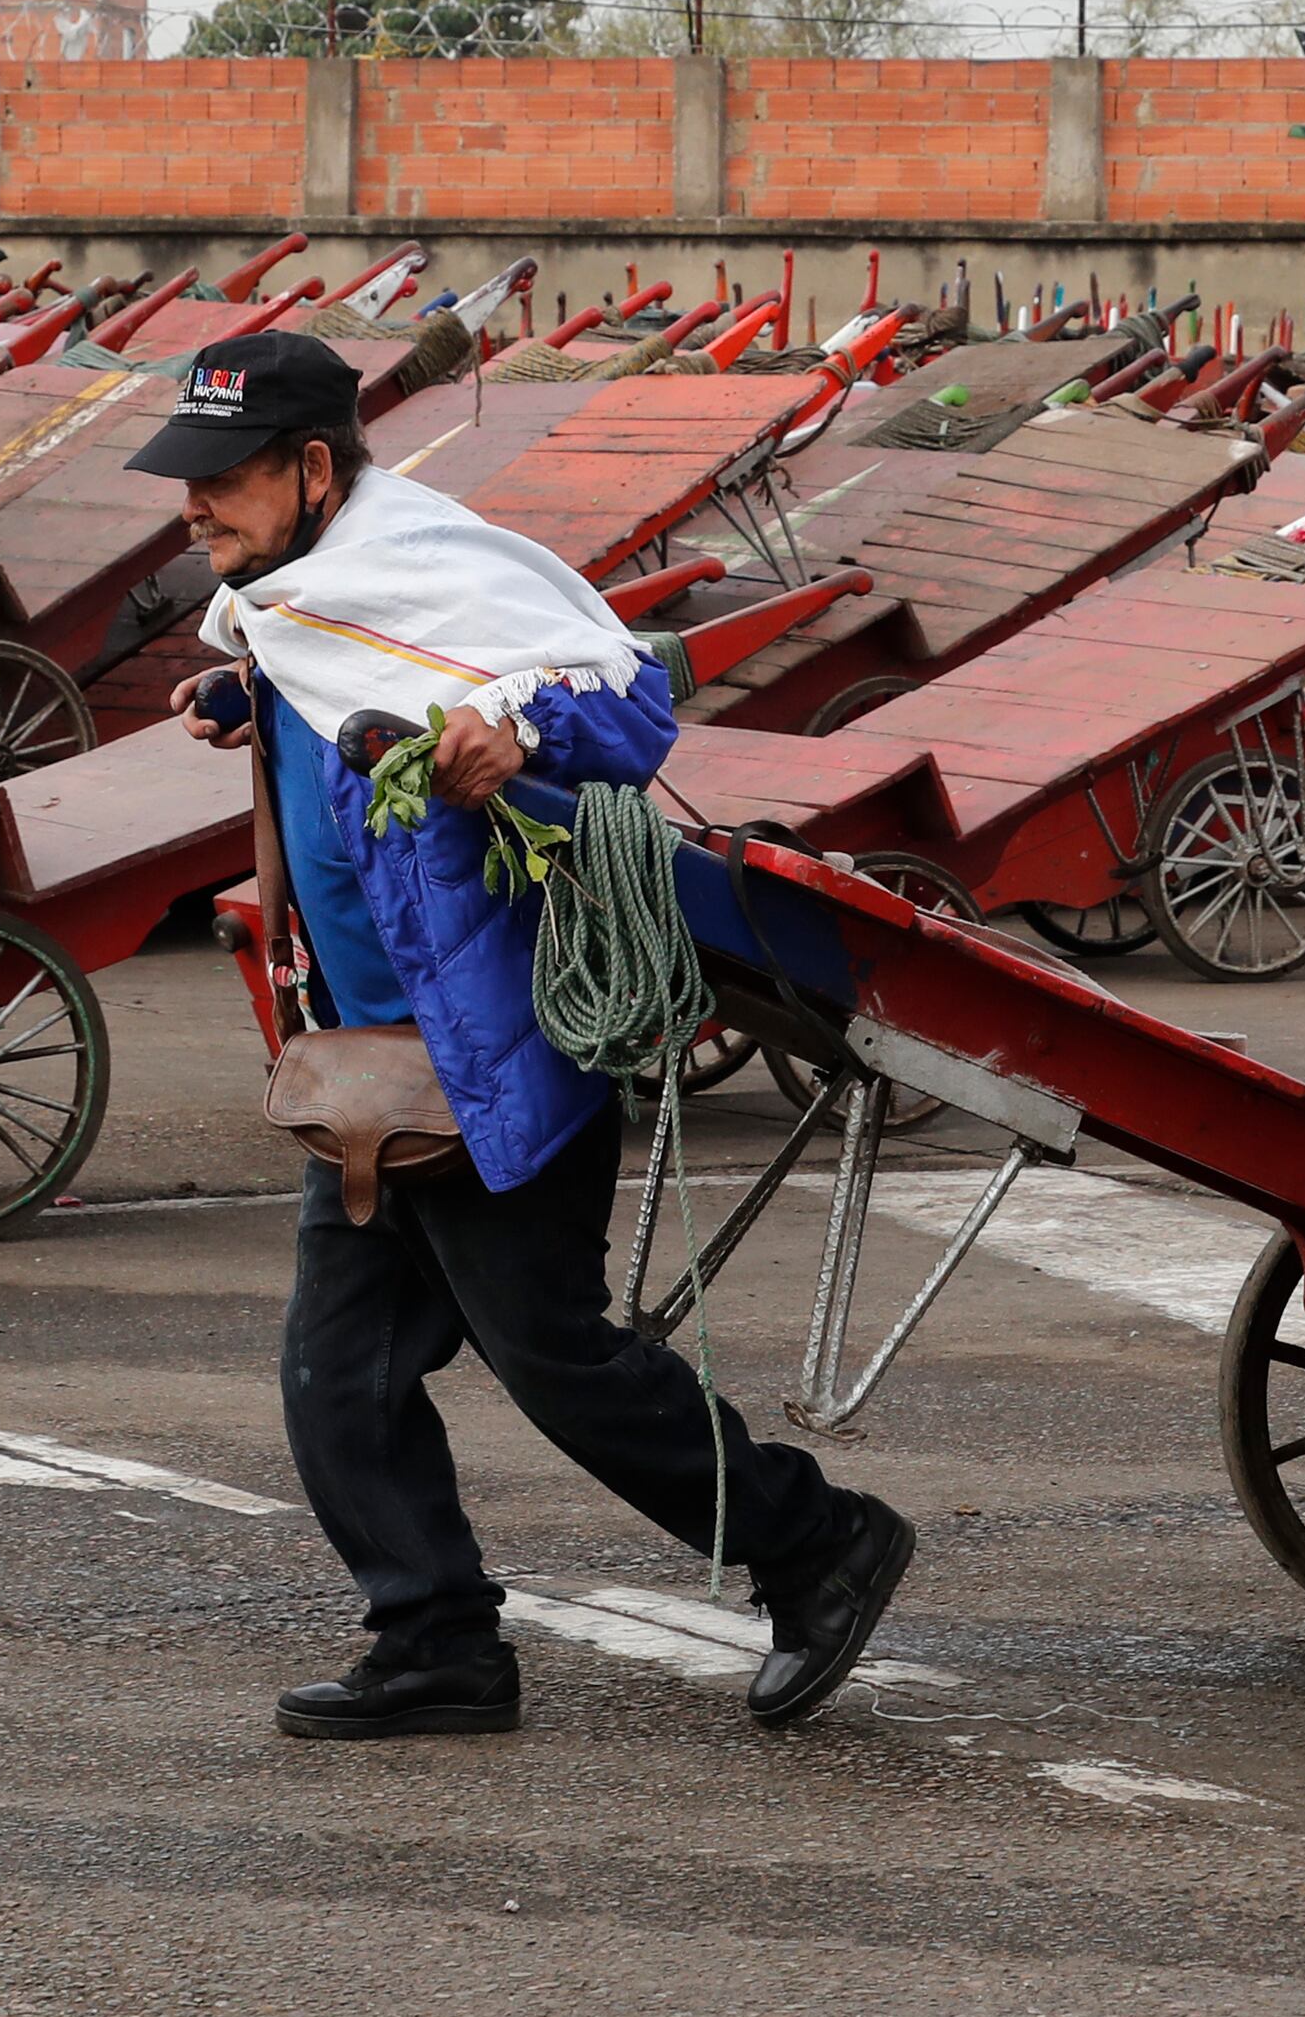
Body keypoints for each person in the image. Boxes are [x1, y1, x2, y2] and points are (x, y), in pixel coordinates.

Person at [132, 330, 916, 1742]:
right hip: (370, 1062)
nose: (195, 508)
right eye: (186, 481)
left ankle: (816, 1541)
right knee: (340, 1375)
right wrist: (245, 690)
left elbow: (625, 703)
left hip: (498, 1044)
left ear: (315, 469)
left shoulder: (430, 561)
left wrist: (511, 727)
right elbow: (338, 679)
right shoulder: (292, 600)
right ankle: (435, 1641)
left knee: (555, 1360)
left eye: (223, 479)